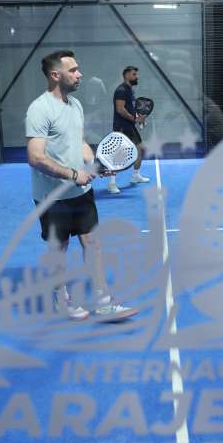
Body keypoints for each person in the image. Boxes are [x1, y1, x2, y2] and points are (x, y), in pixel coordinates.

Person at [26, 49, 136, 321]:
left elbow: (79, 141)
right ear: (55, 75)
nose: (80, 74)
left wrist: (94, 163)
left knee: (92, 242)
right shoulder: (39, 109)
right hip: (52, 195)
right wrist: (74, 174)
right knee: (59, 248)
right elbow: (35, 157)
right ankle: (61, 300)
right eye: (73, 70)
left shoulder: (75, 105)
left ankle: (103, 302)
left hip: (81, 192)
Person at [108, 65, 150, 194]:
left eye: (136, 74)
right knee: (118, 155)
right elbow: (120, 109)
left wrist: (138, 118)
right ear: (126, 75)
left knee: (141, 149)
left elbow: (131, 109)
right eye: (134, 74)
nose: (137, 76)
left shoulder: (130, 90)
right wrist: (134, 119)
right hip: (121, 126)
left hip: (130, 126)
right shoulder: (121, 90)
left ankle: (135, 176)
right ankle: (111, 183)